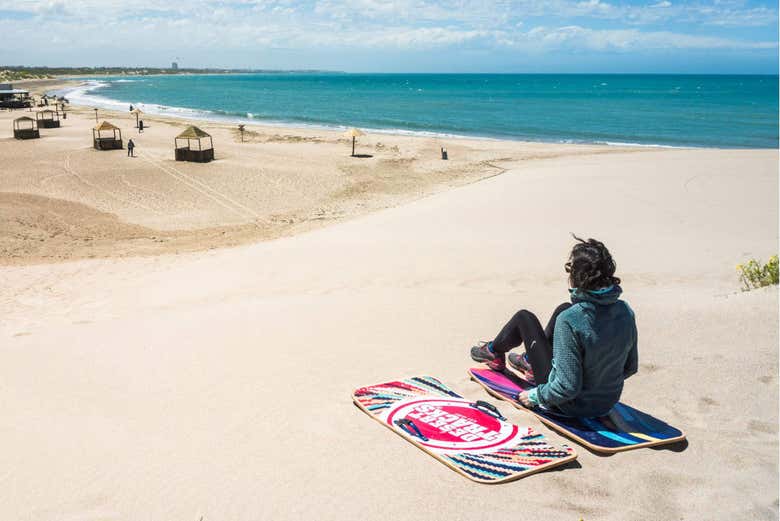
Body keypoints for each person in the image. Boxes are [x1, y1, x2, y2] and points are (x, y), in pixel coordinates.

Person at [470, 235, 638, 418]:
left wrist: (535, 396)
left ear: (577, 277)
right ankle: (529, 361)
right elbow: (630, 367)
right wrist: (598, 381)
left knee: (524, 318)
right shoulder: (625, 311)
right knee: (564, 307)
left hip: (569, 404)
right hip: (607, 403)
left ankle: (493, 352)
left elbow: (567, 387)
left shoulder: (571, 320)